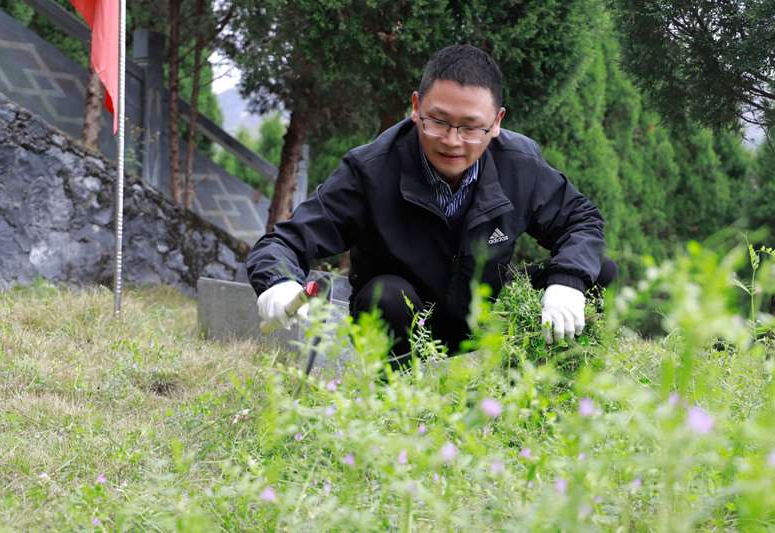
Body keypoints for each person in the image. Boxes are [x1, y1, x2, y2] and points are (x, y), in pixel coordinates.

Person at [247, 44, 616, 368]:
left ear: (497, 122)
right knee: (384, 295)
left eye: (471, 127)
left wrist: (566, 283)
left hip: (490, 315)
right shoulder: (371, 170)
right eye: (437, 121)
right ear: (416, 106)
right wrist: (277, 282)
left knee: (594, 269)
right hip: (406, 320)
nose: (453, 142)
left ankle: (537, 390)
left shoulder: (519, 163)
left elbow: (581, 222)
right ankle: (396, 403)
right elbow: (285, 241)